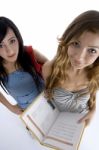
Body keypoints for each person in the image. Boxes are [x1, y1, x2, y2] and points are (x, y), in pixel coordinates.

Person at [42, 10, 99, 126]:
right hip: (55, 121)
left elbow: (92, 94)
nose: (79, 57)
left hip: (79, 120)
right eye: (76, 44)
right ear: (67, 40)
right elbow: (47, 97)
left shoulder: (96, 74)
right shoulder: (50, 69)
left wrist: (93, 111)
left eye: (92, 50)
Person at [0, 17, 48, 115]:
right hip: (29, 112)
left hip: (48, 100)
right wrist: (11, 108)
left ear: (18, 38)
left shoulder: (30, 53)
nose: (9, 51)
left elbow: (50, 66)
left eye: (12, 41)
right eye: (0, 45)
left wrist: (50, 87)